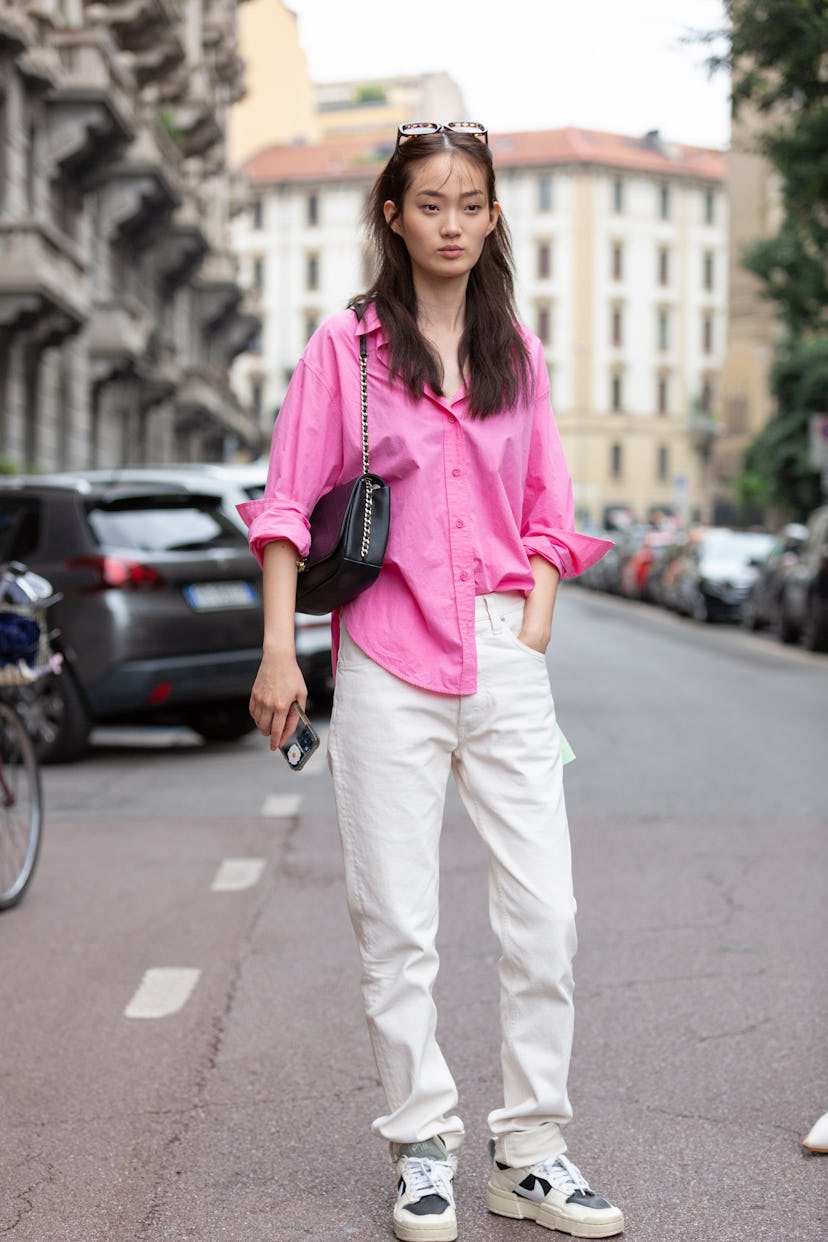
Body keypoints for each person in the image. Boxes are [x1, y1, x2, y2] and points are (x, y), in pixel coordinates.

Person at [240, 120, 624, 1242]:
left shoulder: (522, 353)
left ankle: (532, 1152)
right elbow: (282, 505)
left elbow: (552, 511)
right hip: (387, 660)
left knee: (545, 914)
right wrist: (278, 652)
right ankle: (421, 1144)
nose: (451, 222)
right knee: (397, 922)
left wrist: (534, 621)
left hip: (505, 658)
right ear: (393, 218)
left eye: (470, 204)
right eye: (431, 204)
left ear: (492, 217)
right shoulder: (347, 350)